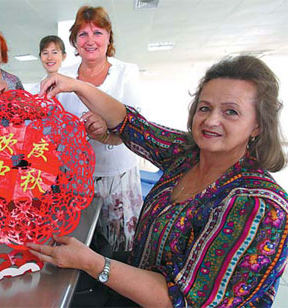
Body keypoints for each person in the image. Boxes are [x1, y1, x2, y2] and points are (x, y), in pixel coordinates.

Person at [30, 55, 288, 307]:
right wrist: (75, 85)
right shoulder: (188, 154)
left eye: (231, 112)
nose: (211, 121)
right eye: (205, 108)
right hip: (134, 282)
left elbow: (182, 300)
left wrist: (92, 263)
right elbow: (130, 124)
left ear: (257, 125)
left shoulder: (258, 206)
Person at [59, 6, 143, 258]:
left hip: (116, 174)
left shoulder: (126, 72)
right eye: (82, 34)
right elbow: (53, 123)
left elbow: (136, 124)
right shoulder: (63, 75)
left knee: (120, 248)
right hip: (76, 176)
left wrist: (106, 130)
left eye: (97, 32)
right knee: (81, 243)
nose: (90, 40)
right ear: (74, 41)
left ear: (108, 37)